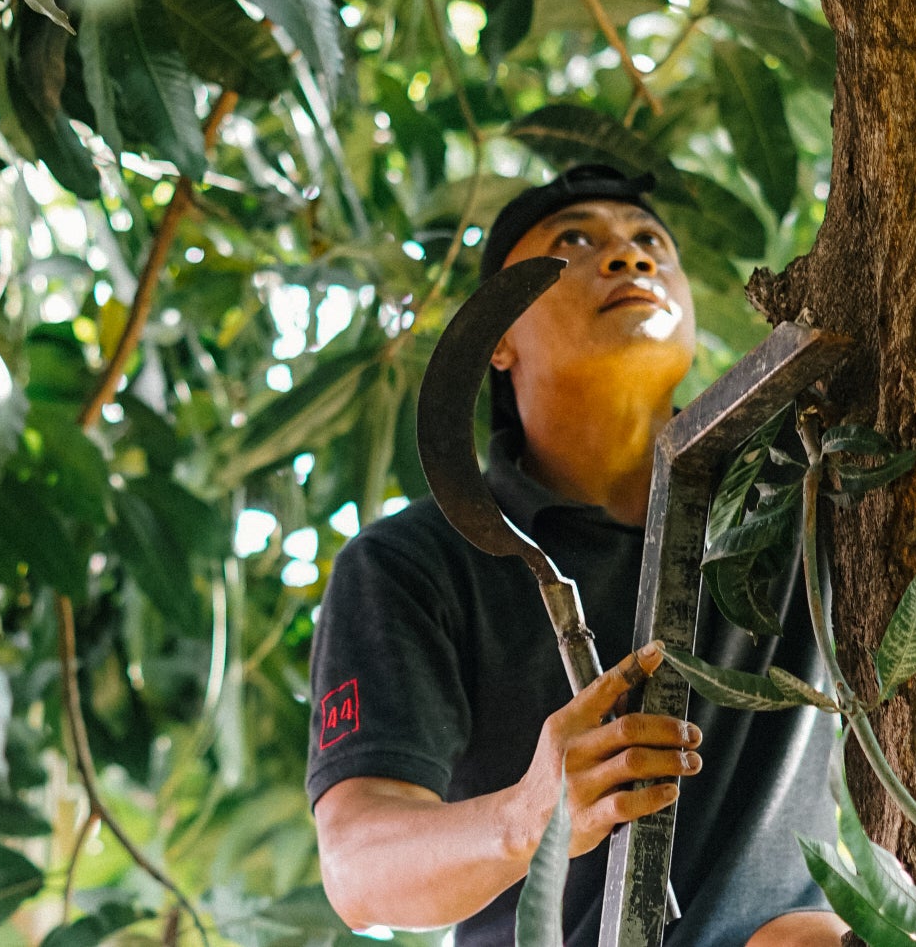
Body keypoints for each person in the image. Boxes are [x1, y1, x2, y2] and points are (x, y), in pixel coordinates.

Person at [308, 166, 844, 947]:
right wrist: (527, 816)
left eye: (649, 240)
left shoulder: (800, 493)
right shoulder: (413, 562)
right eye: (575, 241)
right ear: (497, 341)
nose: (628, 256)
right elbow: (359, 867)